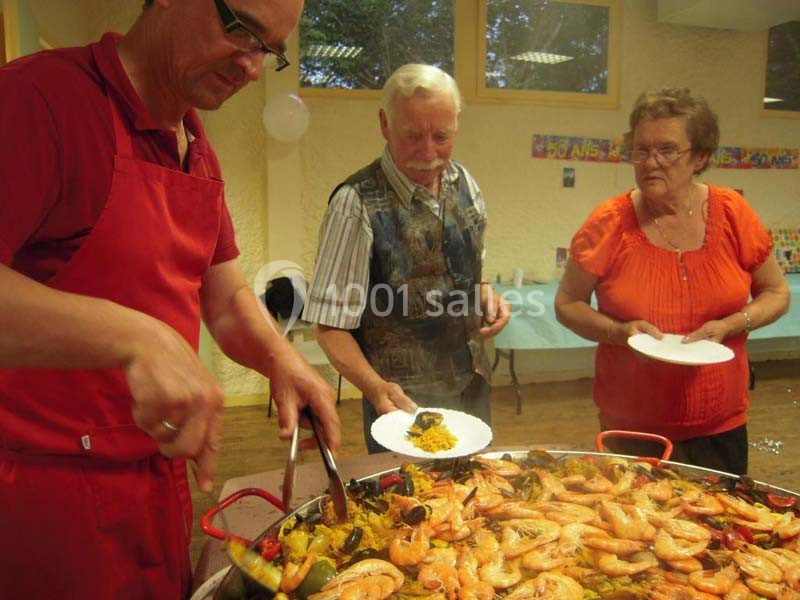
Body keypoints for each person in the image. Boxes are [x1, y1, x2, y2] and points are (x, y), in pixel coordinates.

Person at [0, 0, 340, 598]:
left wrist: (281, 359)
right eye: (240, 29)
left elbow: (228, 298)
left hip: (158, 478)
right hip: (44, 492)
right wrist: (138, 336)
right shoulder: (41, 99)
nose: (252, 67)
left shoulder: (194, 141)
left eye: (269, 50)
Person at [555, 88, 790, 475]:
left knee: (718, 527)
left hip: (721, 425)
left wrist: (732, 324)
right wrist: (618, 331)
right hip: (632, 427)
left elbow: (776, 292)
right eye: (641, 150)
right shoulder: (609, 222)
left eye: (667, 151)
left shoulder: (732, 213)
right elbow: (567, 304)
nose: (651, 163)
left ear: (700, 157)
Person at [303, 64, 509, 454]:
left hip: (471, 387)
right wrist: (374, 387)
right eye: (413, 136)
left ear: (457, 125)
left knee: (473, 503)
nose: (428, 153)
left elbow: (470, 272)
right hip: (399, 403)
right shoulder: (355, 203)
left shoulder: (466, 184)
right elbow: (330, 325)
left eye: (442, 137)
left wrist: (485, 295)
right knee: (407, 509)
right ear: (384, 124)